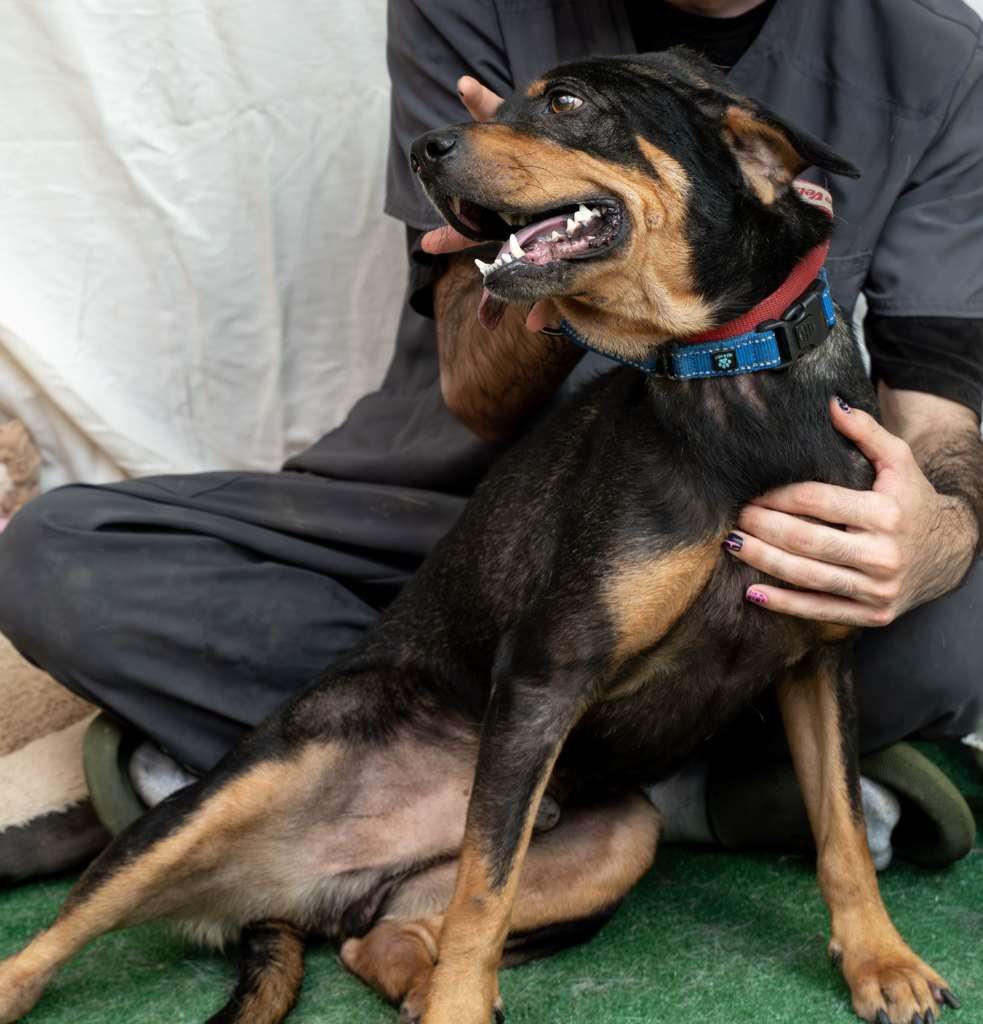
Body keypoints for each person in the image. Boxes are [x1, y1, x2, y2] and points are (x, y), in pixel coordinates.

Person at [0, 0, 981, 882]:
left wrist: (930, 533)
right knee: (62, 558)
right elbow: (473, 389)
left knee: (960, 621)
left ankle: (360, 781)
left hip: (742, 534)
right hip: (458, 519)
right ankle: (684, 794)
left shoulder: (936, 59)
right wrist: (553, 250)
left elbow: (940, 391)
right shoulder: (465, 4)